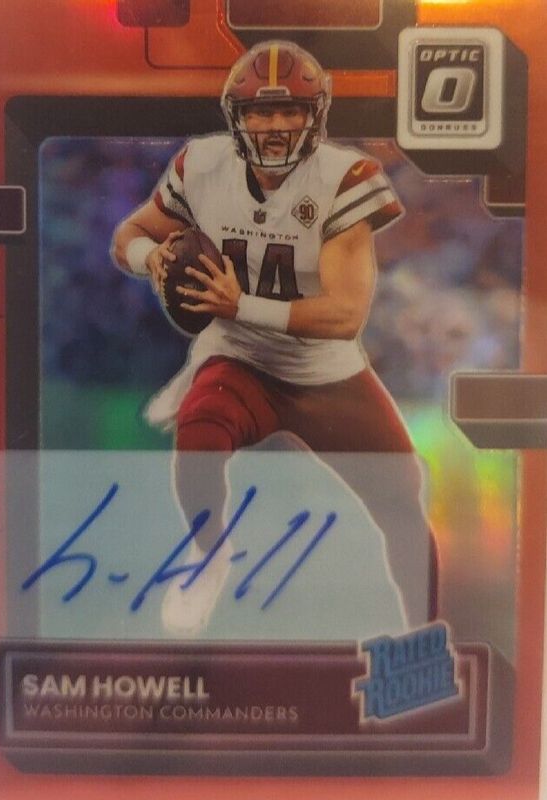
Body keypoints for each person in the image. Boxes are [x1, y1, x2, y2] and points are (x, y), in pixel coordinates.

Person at [112, 40, 438, 636]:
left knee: (400, 500)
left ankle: (426, 637)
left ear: (316, 116)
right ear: (237, 117)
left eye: (290, 110)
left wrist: (240, 304)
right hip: (241, 358)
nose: (276, 125)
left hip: (324, 373)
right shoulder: (201, 165)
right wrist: (149, 256)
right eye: (262, 111)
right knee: (199, 431)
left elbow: (343, 315)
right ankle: (209, 555)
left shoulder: (344, 178)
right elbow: (128, 234)